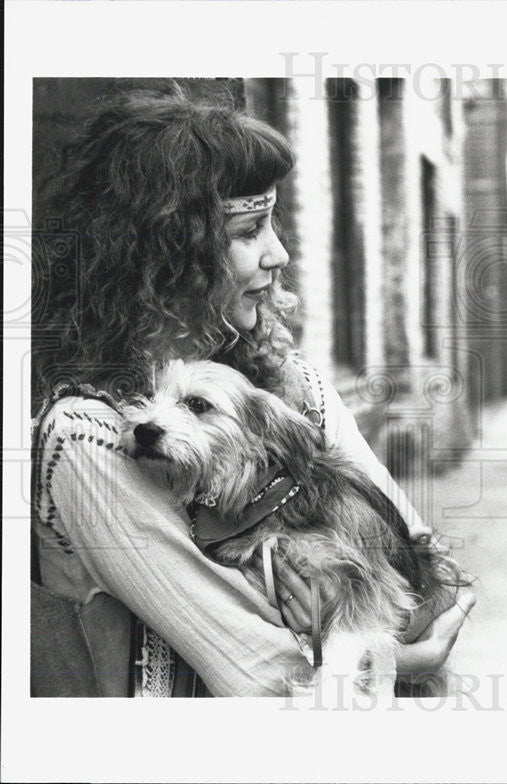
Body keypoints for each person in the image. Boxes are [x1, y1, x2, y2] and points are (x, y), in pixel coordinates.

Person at [31, 86, 473, 698]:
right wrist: (403, 660)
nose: (280, 253)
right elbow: (260, 674)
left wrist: (402, 637)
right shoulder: (90, 436)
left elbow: (425, 567)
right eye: (249, 230)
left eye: (275, 223)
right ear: (167, 253)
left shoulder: (294, 388)